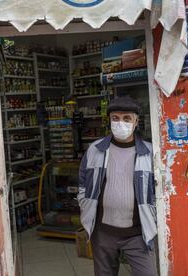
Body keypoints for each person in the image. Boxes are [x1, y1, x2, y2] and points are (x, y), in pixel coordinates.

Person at [78, 96, 157, 276]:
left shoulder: (149, 152)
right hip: (103, 232)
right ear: (109, 121)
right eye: (116, 118)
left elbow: (158, 190)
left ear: (136, 121)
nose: (121, 123)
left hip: (138, 234)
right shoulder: (95, 150)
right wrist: (85, 205)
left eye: (127, 118)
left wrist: (152, 216)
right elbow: (83, 182)